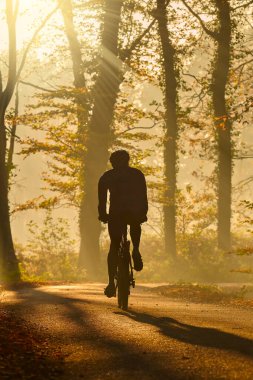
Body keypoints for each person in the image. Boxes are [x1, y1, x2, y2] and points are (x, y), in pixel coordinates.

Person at [98, 149, 148, 298]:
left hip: (115, 214)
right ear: (128, 161)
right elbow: (143, 197)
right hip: (133, 213)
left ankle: (111, 283)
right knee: (135, 225)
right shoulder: (137, 174)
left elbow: (101, 200)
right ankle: (136, 250)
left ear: (112, 163)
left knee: (114, 246)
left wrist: (103, 215)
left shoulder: (107, 177)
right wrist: (143, 213)